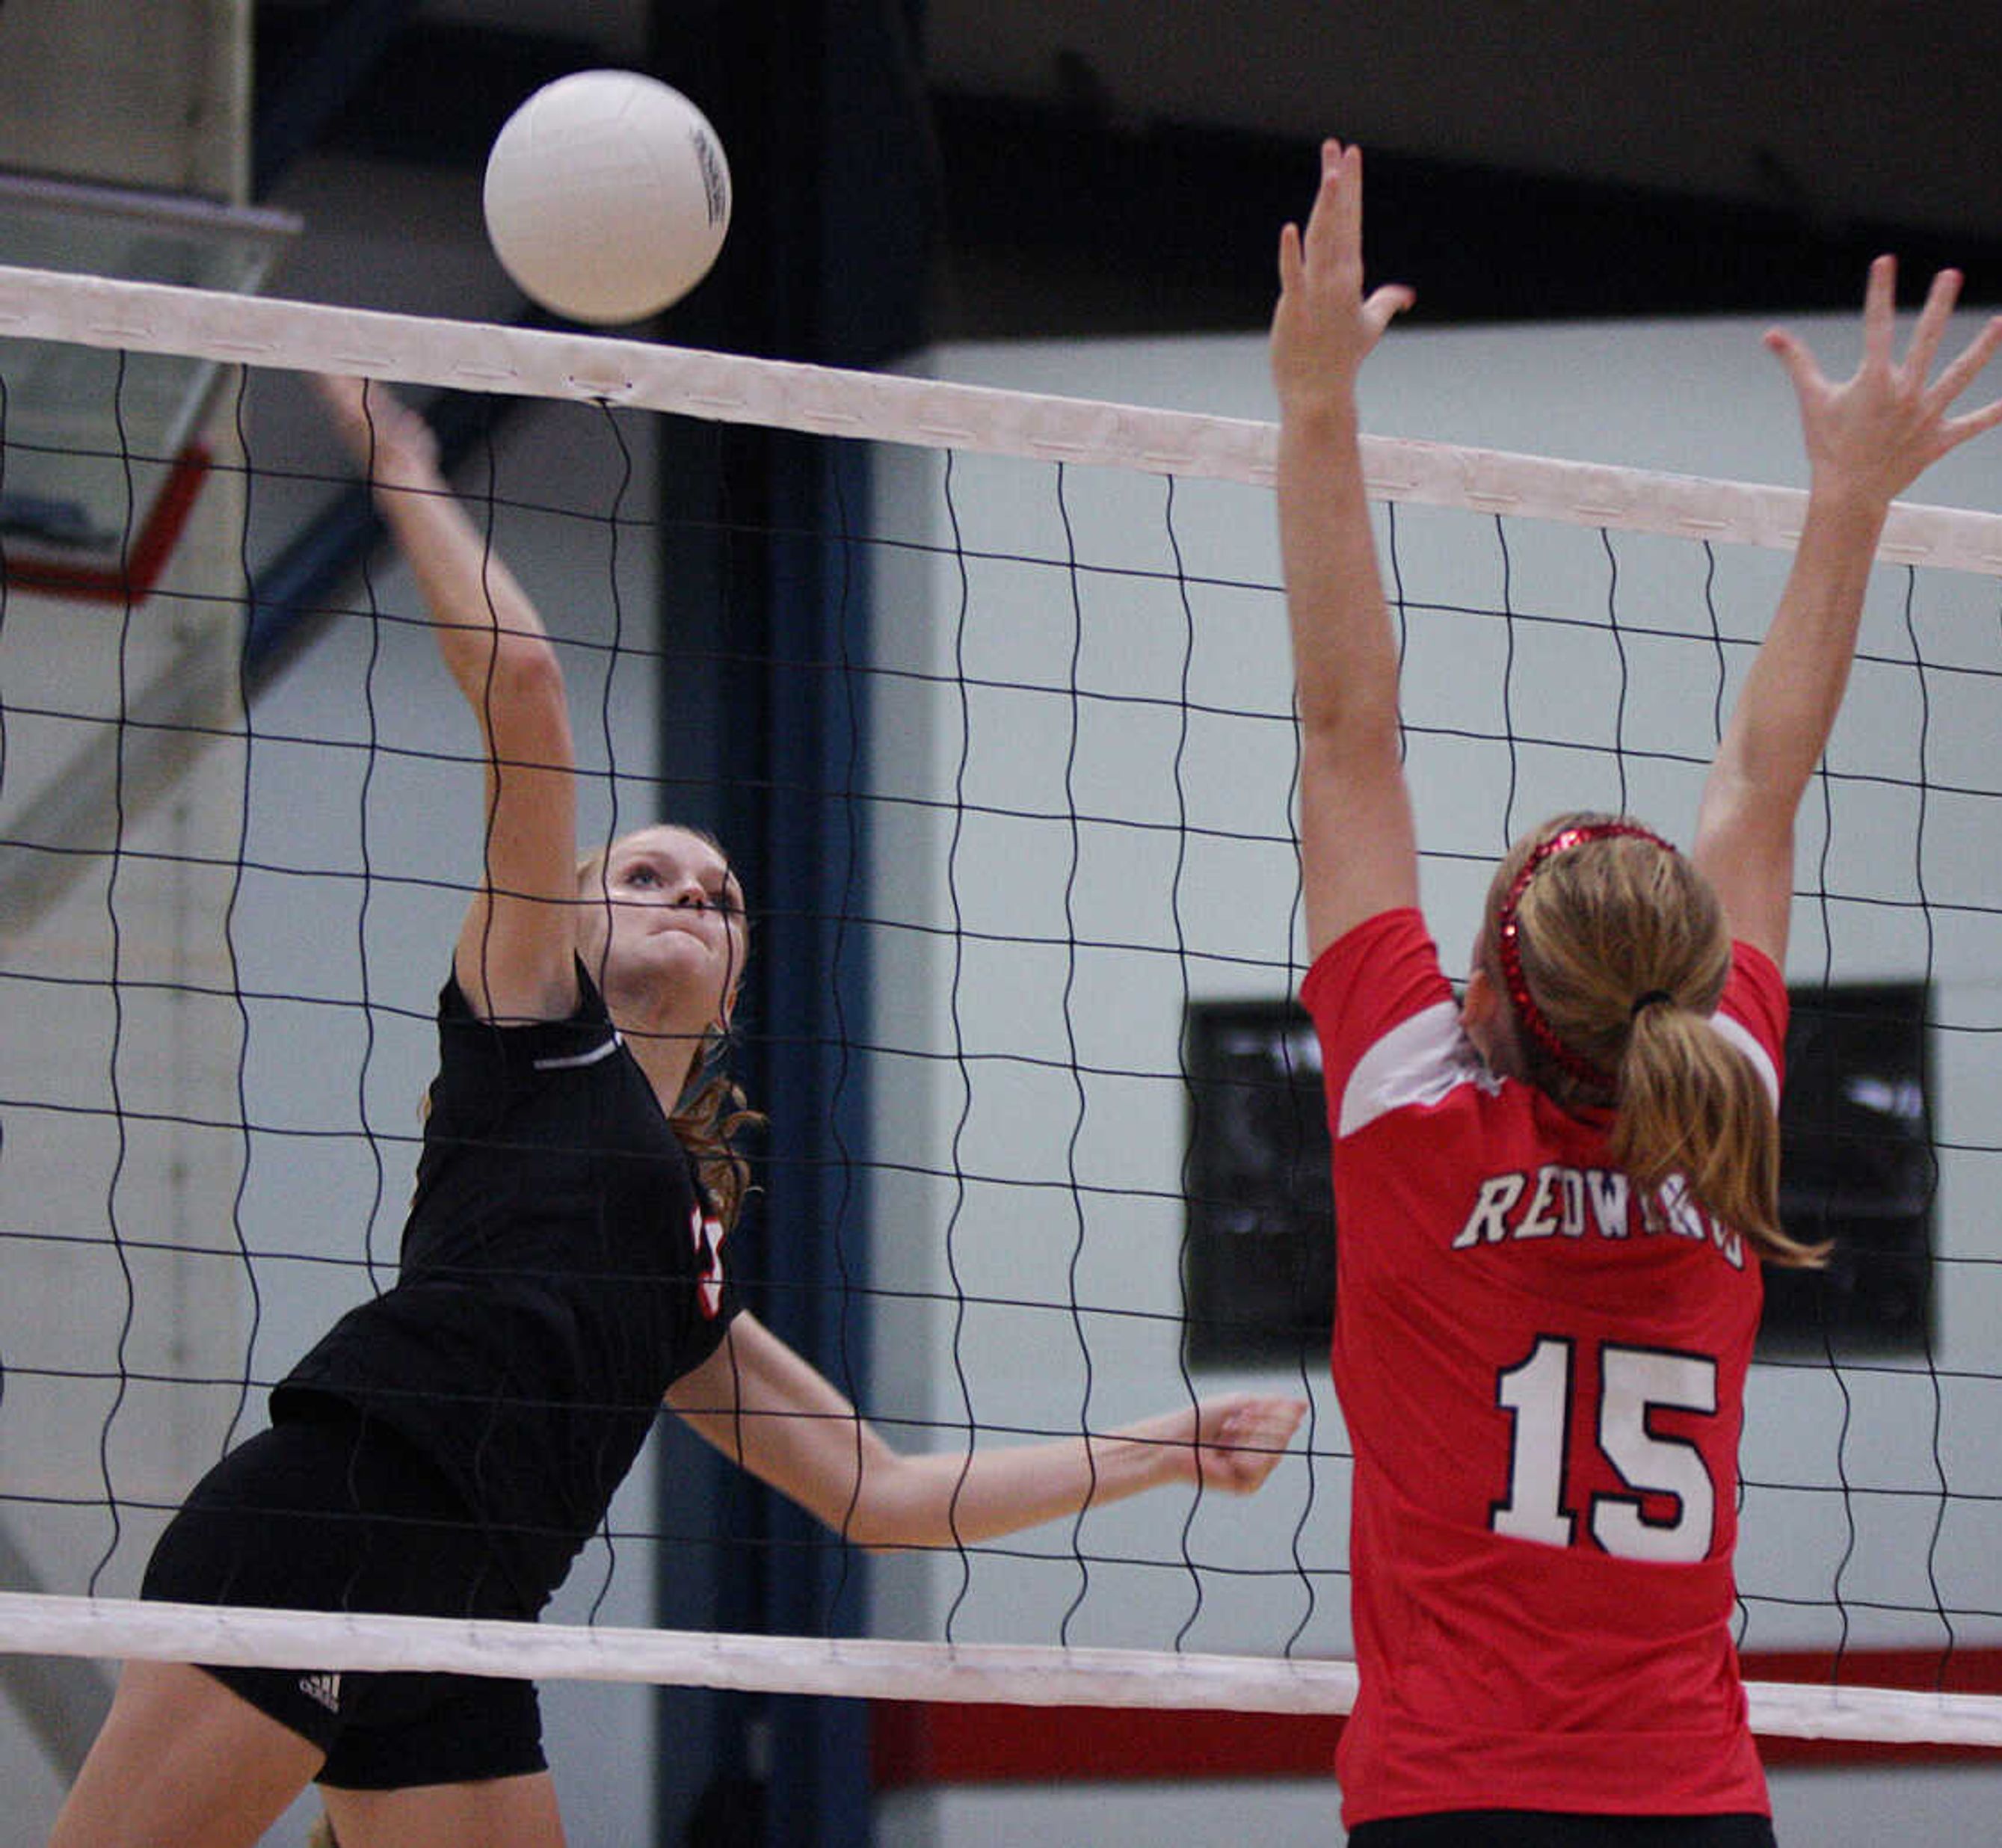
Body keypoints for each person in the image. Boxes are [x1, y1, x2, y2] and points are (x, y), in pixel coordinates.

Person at [49, 377, 1308, 1848]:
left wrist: (1161, 1446)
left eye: (717, 897)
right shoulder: (528, 1029)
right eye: (642, 875)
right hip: (333, 1530)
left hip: (471, 1627)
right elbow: (522, 686)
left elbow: (878, 1490)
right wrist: (402, 464)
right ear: (566, 925)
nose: (686, 897)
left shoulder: (683, 1252)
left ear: (727, 996)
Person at [1270, 140, 2002, 1844]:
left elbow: (1346, 731)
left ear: (1485, 975)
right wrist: (1852, 499)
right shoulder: (1723, 1118)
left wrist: (1316, 408)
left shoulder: (1407, 1100)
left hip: (1451, 1804)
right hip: (1688, 1808)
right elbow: (1759, 782)